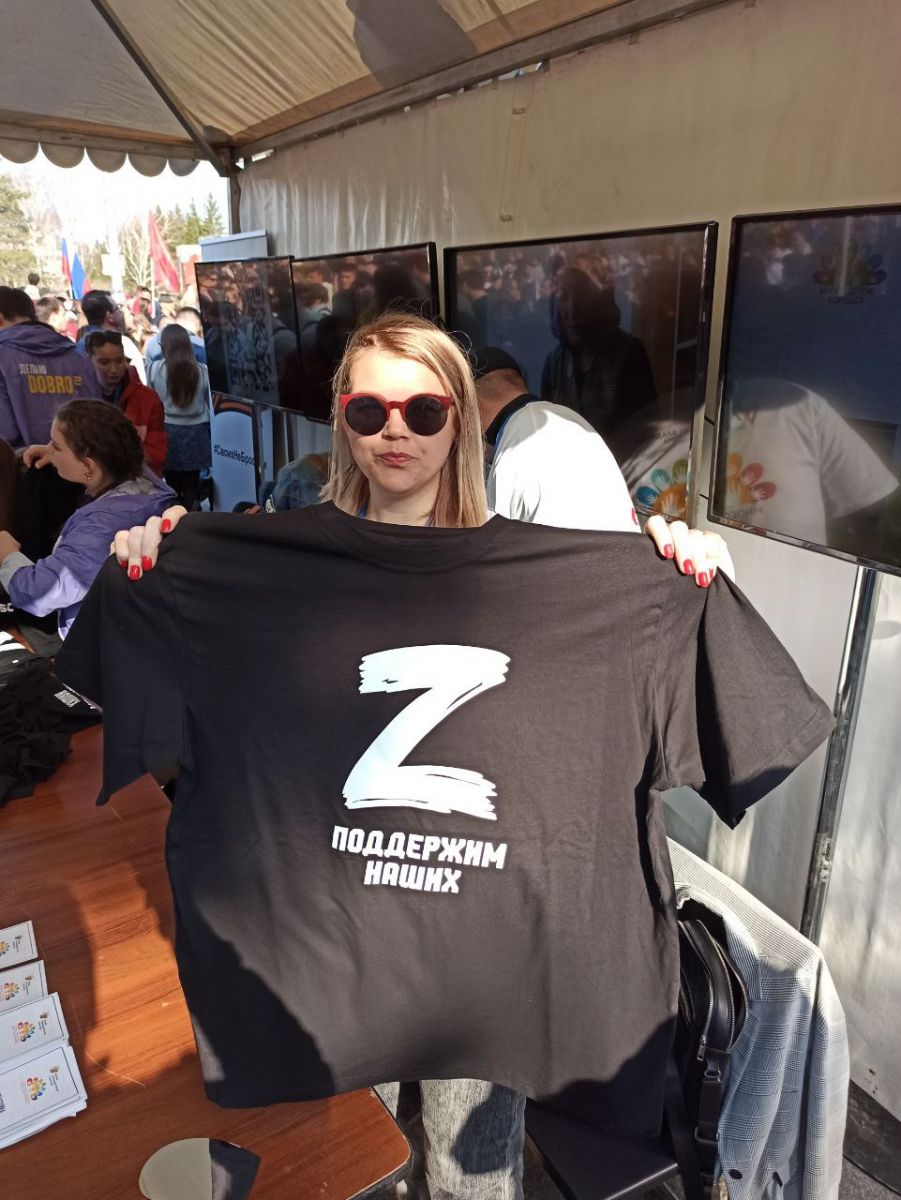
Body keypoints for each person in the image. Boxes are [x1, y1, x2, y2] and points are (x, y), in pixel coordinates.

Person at [78, 315, 827, 1200]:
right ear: (340, 416)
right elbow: (149, 718)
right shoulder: (244, 574)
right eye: (368, 410)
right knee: (350, 1168)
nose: (394, 431)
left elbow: (731, 703)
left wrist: (686, 578)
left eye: (424, 411)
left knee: (472, 1181)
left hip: (486, 968)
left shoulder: (592, 589)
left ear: (460, 422)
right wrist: (148, 567)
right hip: (326, 956)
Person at [0, 400, 173, 639]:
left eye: (57, 446)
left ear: (88, 465)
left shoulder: (101, 528)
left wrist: (7, 555)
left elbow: (40, 593)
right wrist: (55, 455)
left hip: (99, 642)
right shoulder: (138, 477)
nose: (49, 449)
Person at [0, 287, 99, 450]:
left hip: (23, 461)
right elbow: (98, 418)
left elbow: (5, 434)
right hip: (81, 459)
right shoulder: (78, 356)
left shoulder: (3, 357)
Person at [146, 324, 212, 511]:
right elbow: (208, 402)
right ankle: (190, 514)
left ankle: (174, 516)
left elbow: (151, 400)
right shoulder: (203, 371)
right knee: (192, 481)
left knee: (171, 481)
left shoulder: (154, 369)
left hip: (167, 431)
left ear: (164, 346)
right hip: (196, 432)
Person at [83, 332, 166, 476]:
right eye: (104, 362)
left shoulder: (148, 399)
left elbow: (157, 452)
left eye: (119, 361)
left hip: (136, 479)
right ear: (88, 361)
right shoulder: (77, 397)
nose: (114, 369)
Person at [77, 290, 148, 383]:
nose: (121, 312)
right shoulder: (122, 344)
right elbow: (140, 383)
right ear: (109, 316)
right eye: (118, 308)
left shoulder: (80, 345)